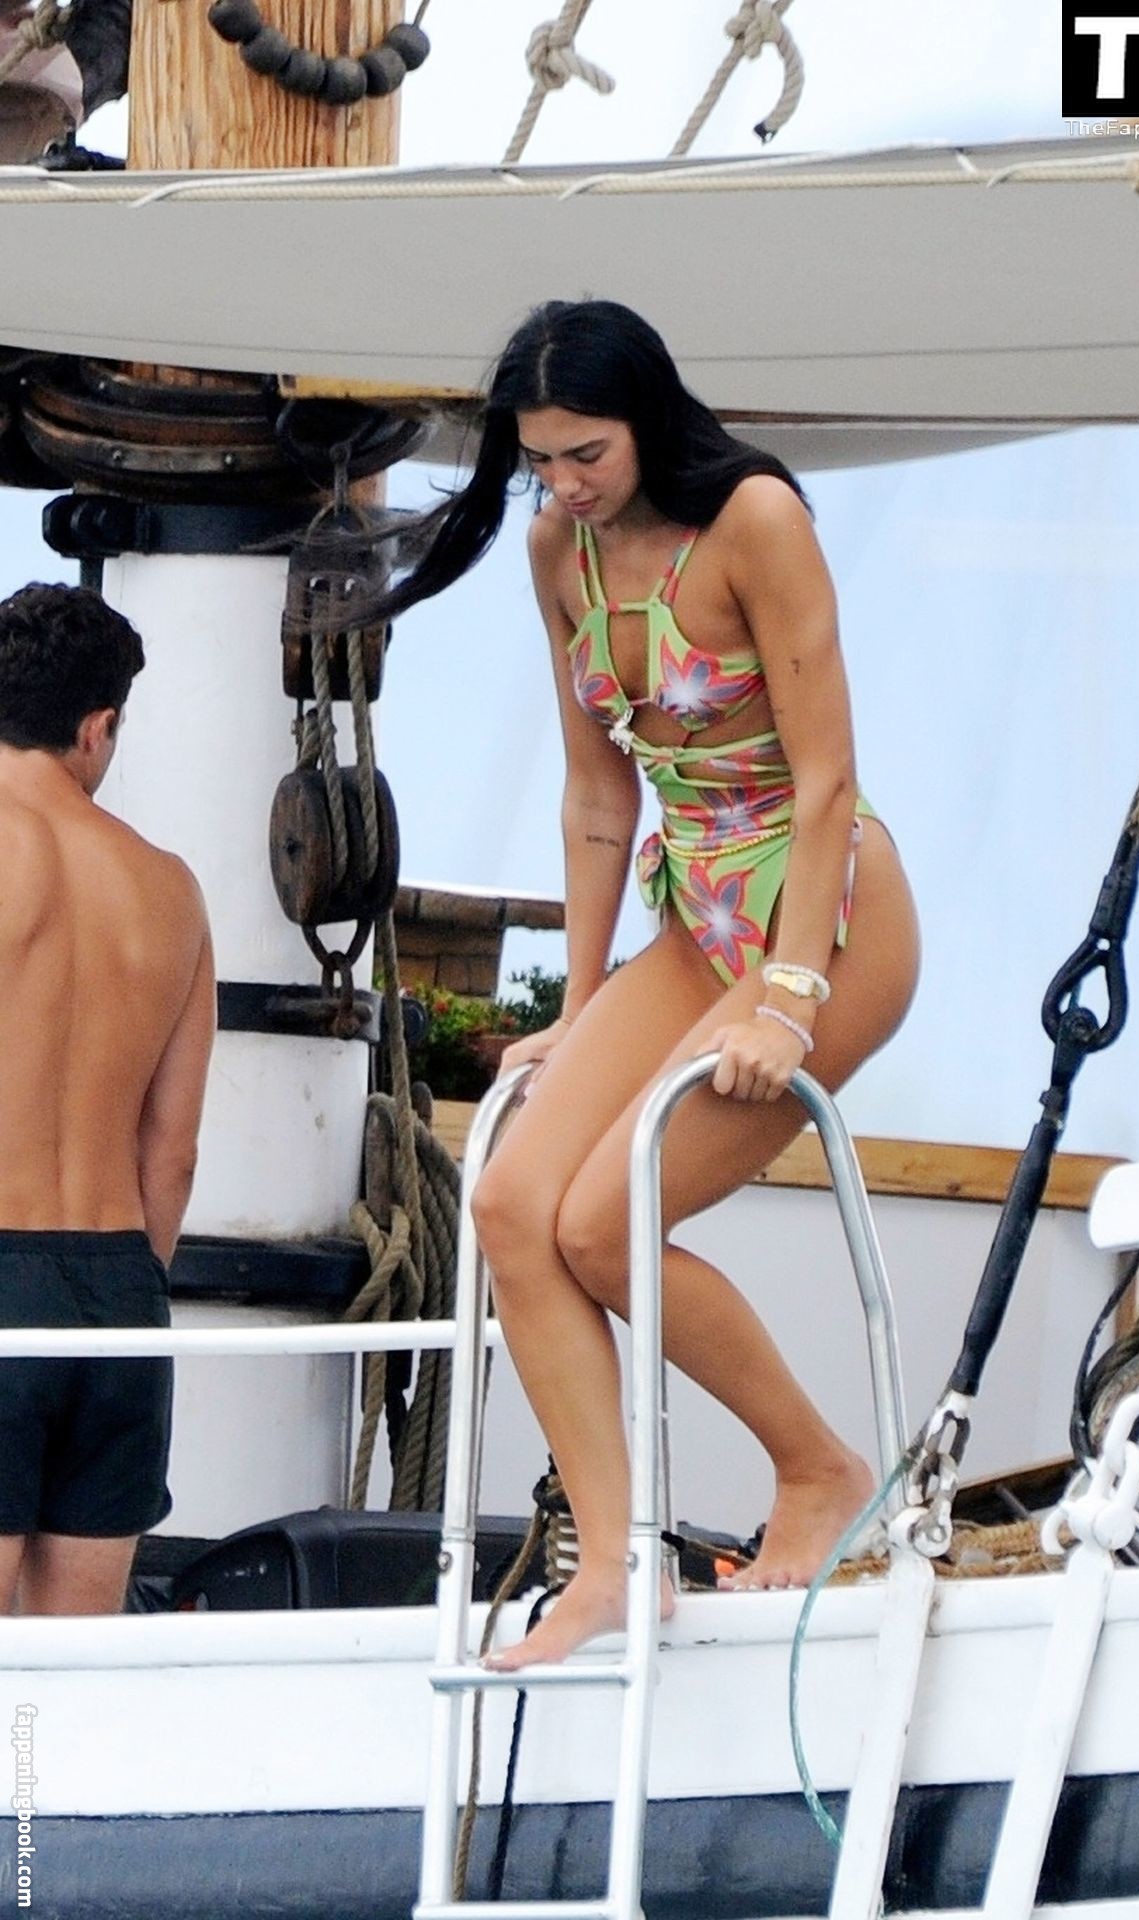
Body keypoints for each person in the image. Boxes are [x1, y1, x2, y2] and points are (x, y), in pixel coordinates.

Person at [376, 300, 920, 1667]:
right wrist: (574, 1009)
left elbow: (826, 781)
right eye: (538, 459)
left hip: (828, 914)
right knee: (510, 1206)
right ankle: (613, 1563)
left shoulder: (754, 520)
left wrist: (787, 993)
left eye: (586, 453)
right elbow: (596, 794)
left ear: (648, 419)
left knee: (606, 1225)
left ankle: (817, 1468)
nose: (562, 482)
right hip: (696, 920)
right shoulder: (556, 549)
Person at [0, 583, 215, 1615]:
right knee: (68, 1673)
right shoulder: (172, 889)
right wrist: (125, 1289)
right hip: (121, 1296)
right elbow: (172, 1151)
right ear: (97, 726)